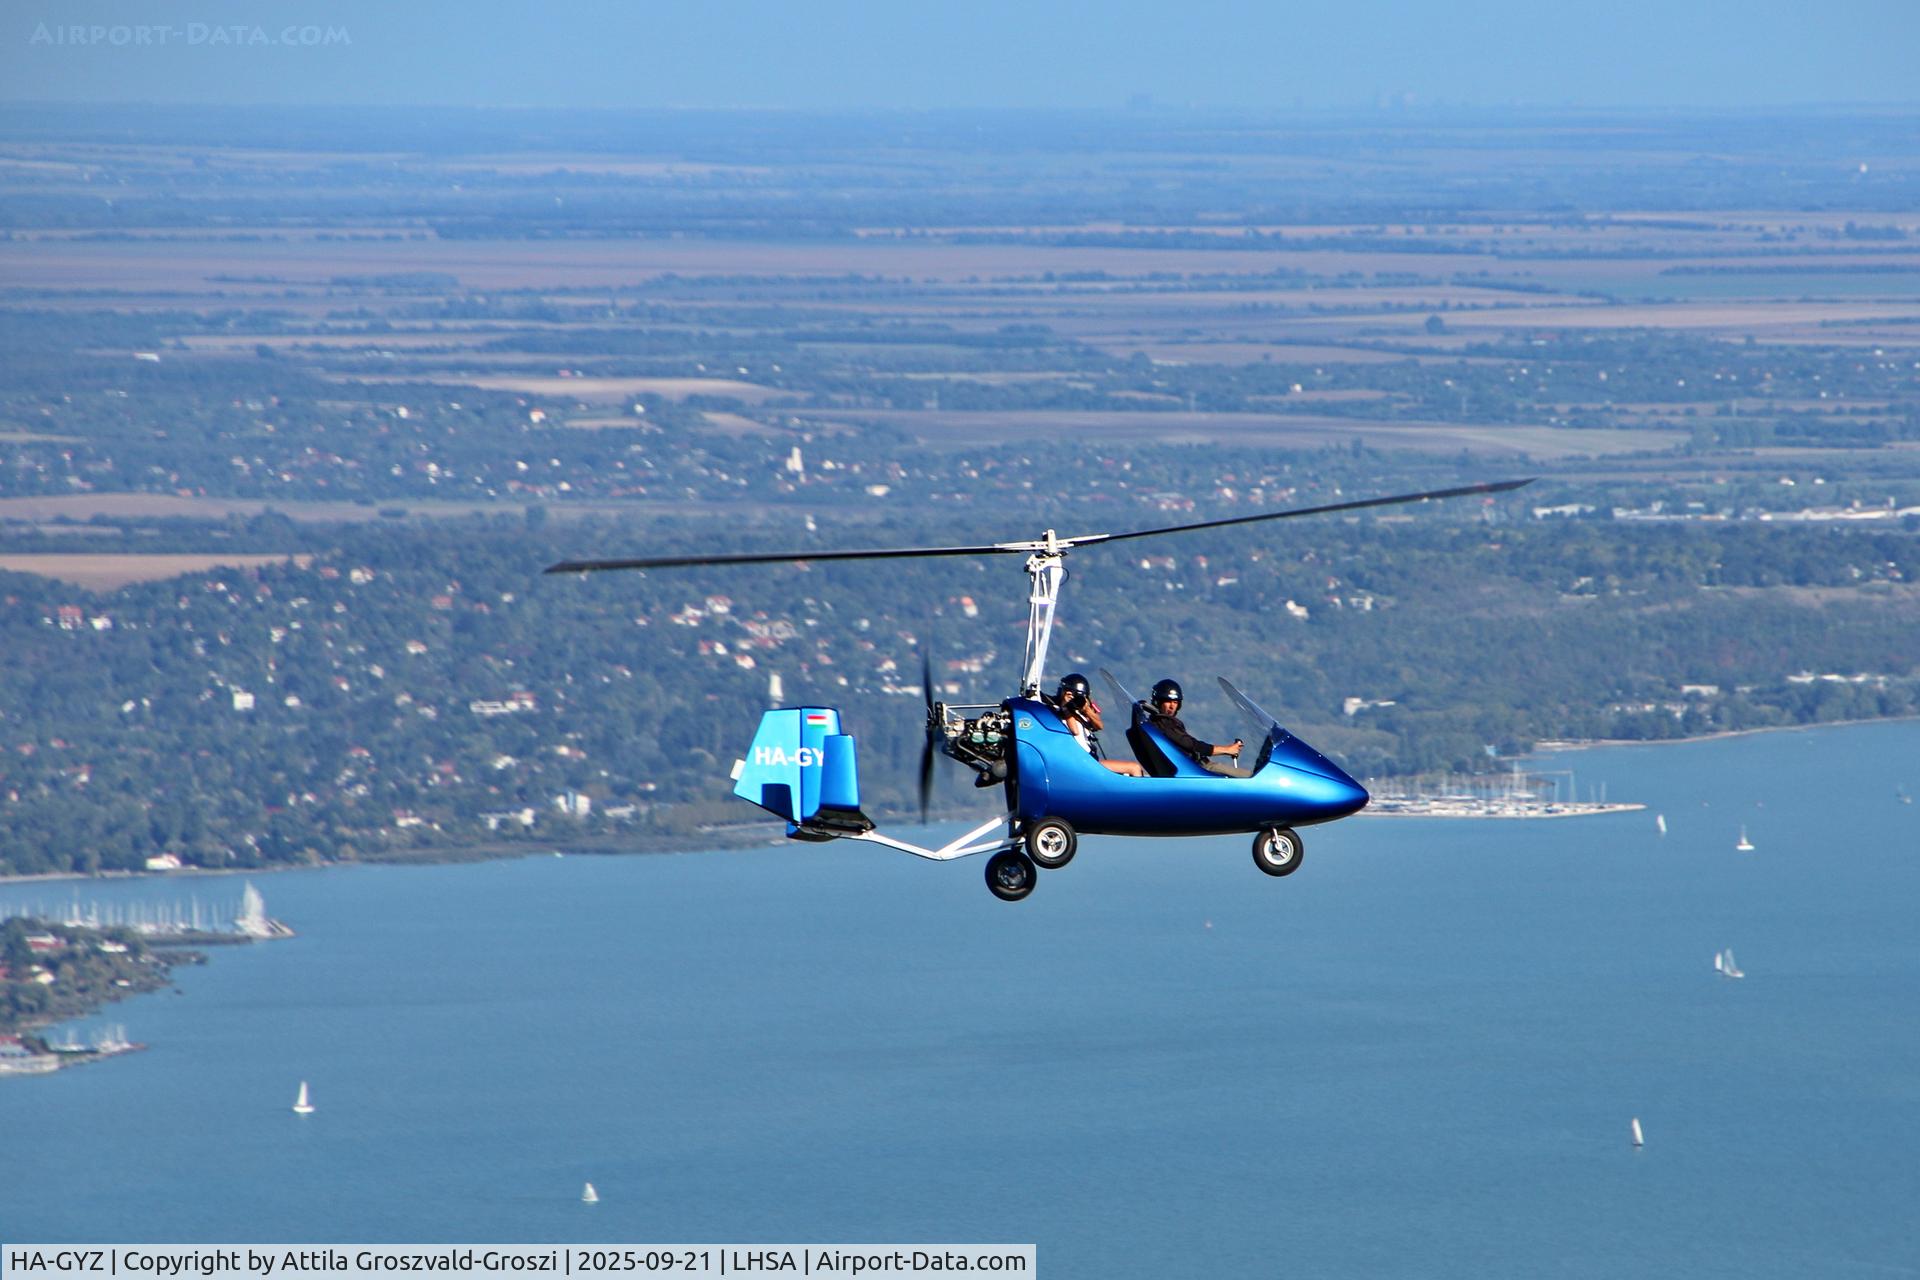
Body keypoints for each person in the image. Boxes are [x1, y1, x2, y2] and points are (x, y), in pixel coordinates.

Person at [1144, 678, 1251, 778]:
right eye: (1168, 701)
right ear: (1158, 702)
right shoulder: (1164, 724)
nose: (1172, 706)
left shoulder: (1158, 724)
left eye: (1175, 702)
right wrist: (1228, 750)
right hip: (1199, 769)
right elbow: (1193, 746)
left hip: (1194, 769)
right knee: (1250, 777)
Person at [1045, 672, 1145, 776]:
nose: (1076, 699)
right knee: (1134, 768)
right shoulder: (1060, 711)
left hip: (1089, 759)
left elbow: (1099, 725)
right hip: (1082, 762)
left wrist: (1086, 709)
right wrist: (1066, 707)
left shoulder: (1080, 712)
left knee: (1134, 768)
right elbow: (1075, 731)